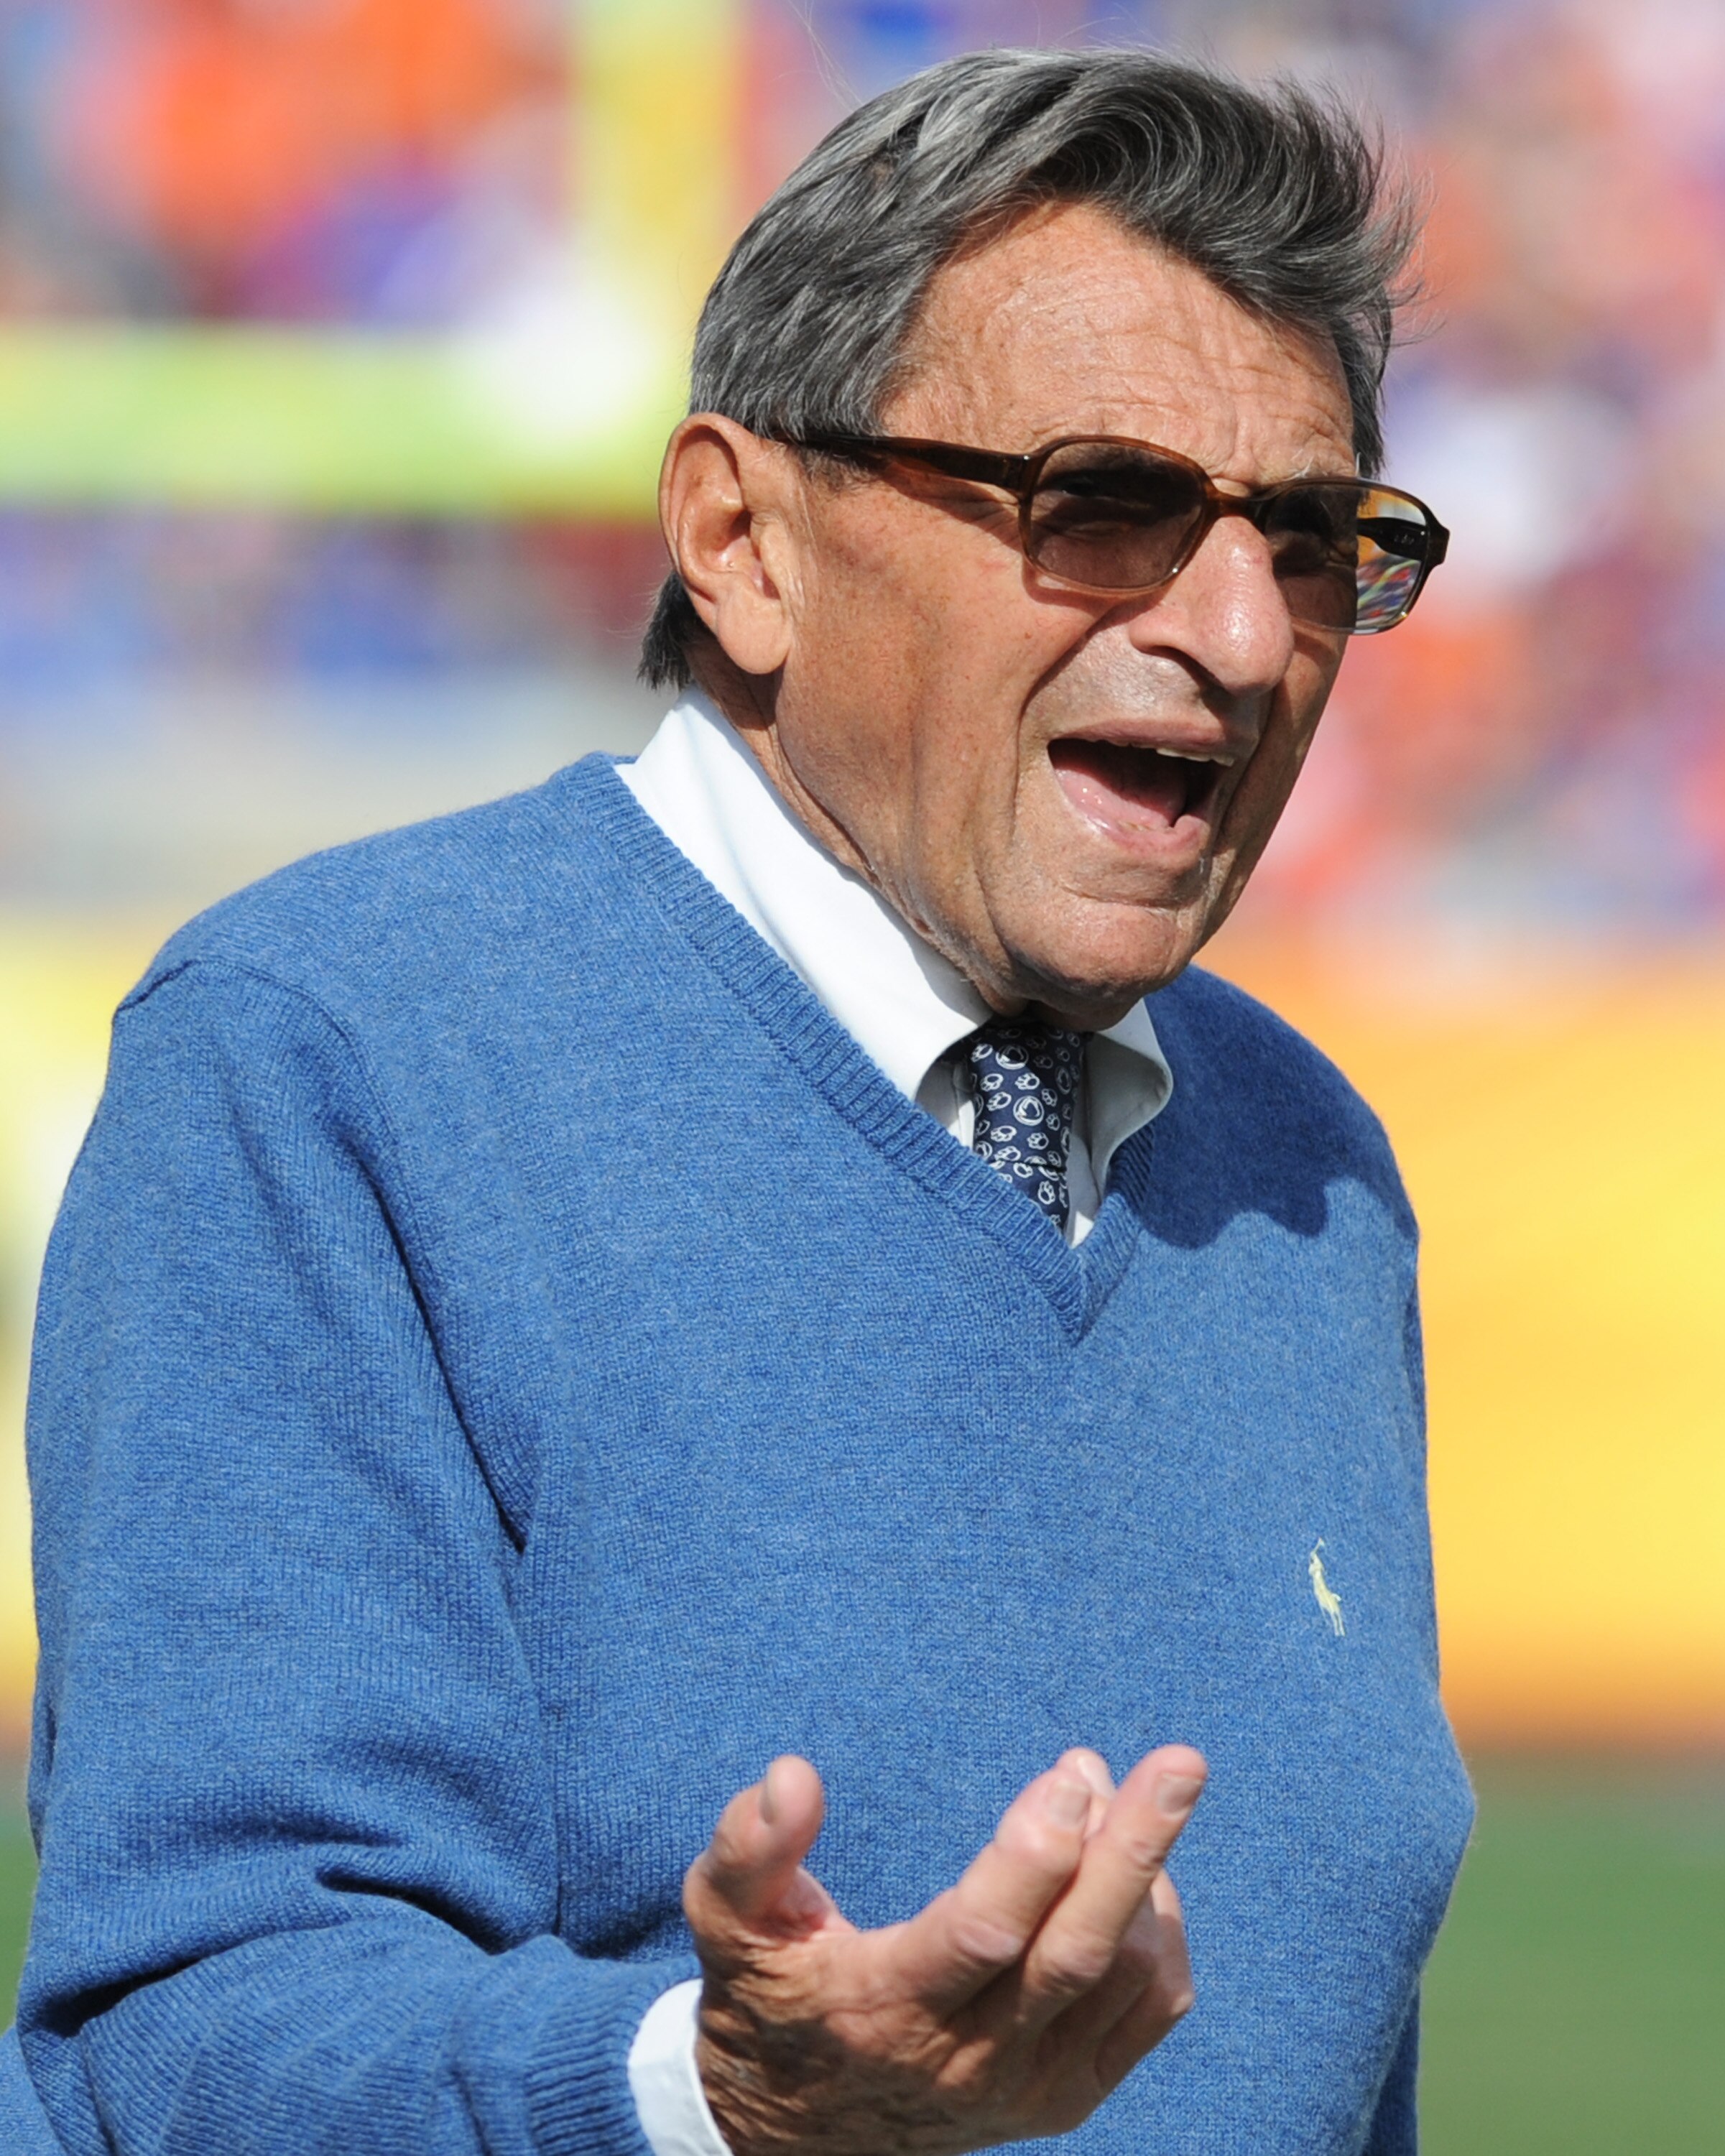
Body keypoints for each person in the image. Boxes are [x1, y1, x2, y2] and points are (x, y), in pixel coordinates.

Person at [4, 45, 1473, 2156]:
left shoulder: (1303, 1168)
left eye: (1317, 540)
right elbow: (187, 2035)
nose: (1240, 631)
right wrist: (711, 2100)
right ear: (740, 541)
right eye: (1105, 505)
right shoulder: (328, 1050)